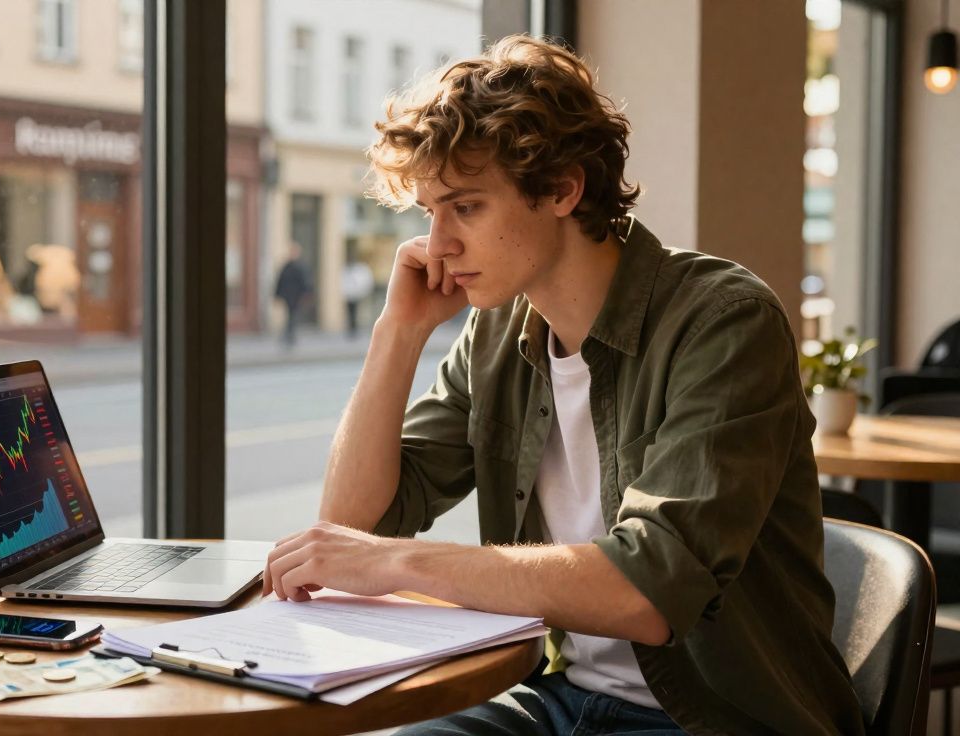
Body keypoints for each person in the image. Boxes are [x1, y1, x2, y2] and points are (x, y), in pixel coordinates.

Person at [262, 34, 864, 735]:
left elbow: (649, 588)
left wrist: (395, 563)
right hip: (558, 700)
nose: (438, 244)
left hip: (716, 720)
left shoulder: (724, 322)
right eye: (430, 212)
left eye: (466, 207)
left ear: (561, 188)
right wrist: (396, 333)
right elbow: (352, 529)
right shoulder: (496, 334)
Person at [273, 242, 313, 349]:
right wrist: (277, 295)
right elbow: (280, 281)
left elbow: (306, 281)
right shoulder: (286, 266)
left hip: (297, 296)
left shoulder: (301, 266)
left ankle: (289, 335)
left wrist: (306, 294)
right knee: (290, 315)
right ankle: (288, 334)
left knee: (292, 315)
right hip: (288, 295)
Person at [341, 246, 375, 339]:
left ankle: (354, 329)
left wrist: (362, 291)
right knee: (350, 313)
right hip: (348, 294)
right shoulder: (346, 269)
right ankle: (351, 329)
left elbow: (364, 280)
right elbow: (342, 282)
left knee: (355, 312)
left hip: (357, 294)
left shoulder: (360, 269)